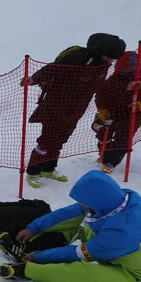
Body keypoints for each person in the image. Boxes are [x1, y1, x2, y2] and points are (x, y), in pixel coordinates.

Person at [0, 170, 141, 282]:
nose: (82, 205)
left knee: (89, 273)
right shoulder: (117, 201)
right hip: (119, 253)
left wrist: (39, 257)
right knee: (80, 219)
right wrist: (33, 228)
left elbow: (77, 253)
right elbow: (67, 213)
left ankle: (28, 269)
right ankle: (40, 242)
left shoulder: (122, 233)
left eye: (85, 203)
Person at [22, 33, 126, 187]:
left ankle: (48, 169)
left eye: (113, 58)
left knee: (61, 139)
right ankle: (33, 172)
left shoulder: (102, 66)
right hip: (56, 105)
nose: (111, 61)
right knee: (47, 140)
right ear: (99, 50)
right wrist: (33, 79)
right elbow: (52, 69)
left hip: (76, 108)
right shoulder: (77, 58)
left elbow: (99, 86)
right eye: (109, 57)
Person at [92, 51, 141, 173]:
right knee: (104, 136)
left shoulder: (139, 82)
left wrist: (138, 105)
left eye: (132, 68)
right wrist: (102, 110)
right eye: (127, 68)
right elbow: (100, 96)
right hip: (109, 113)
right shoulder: (111, 81)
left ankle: (111, 161)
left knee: (124, 138)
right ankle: (103, 154)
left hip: (125, 115)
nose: (129, 71)